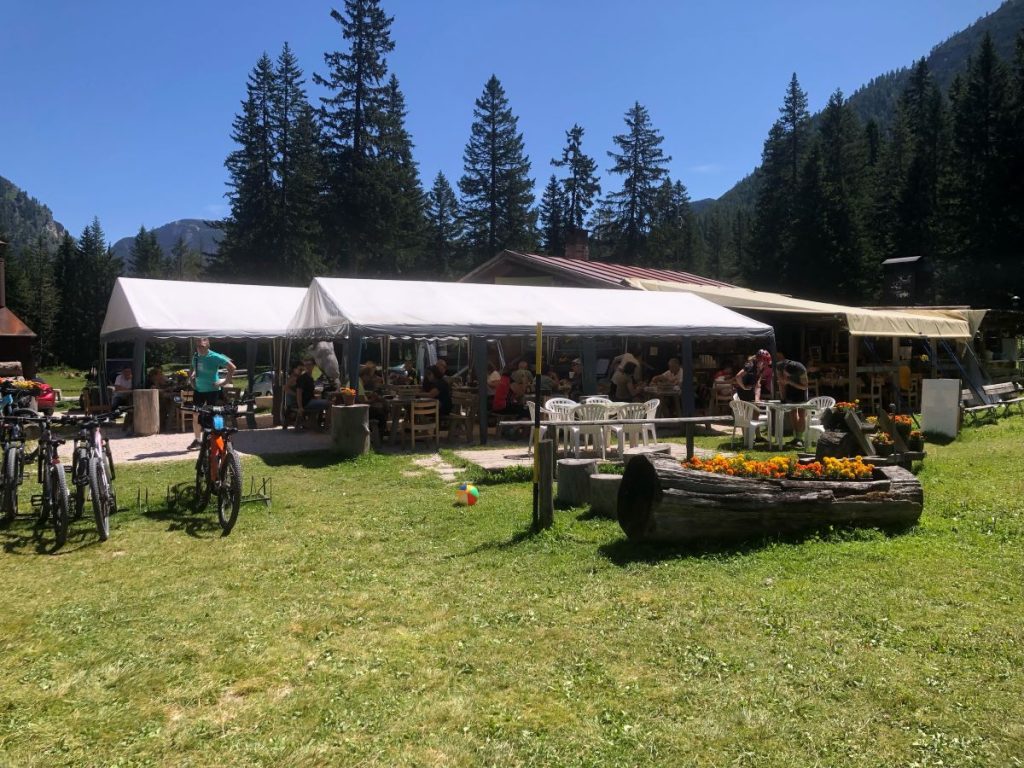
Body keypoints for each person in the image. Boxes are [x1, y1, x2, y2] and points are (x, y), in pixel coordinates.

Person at [188, 337, 236, 450]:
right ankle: (198, 440)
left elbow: (232, 367)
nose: (199, 348)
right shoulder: (196, 356)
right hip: (199, 390)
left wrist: (224, 382)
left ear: (208, 345)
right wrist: (192, 378)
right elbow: (195, 369)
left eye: (202, 346)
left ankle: (216, 439)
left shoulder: (215, 356)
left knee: (214, 415)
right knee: (196, 414)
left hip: (213, 391)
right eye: (198, 346)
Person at [775, 352, 810, 446]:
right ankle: (795, 438)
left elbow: (805, 387)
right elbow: (781, 383)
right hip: (789, 388)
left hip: (800, 388)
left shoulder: (801, 369)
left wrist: (790, 382)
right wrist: (783, 398)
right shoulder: (780, 366)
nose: (785, 375)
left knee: (801, 413)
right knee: (792, 412)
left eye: (787, 375)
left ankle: (800, 438)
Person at [295, 357, 330, 430]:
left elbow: (308, 391)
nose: (307, 366)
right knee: (330, 404)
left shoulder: (310, 377)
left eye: (309, 364)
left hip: (310, 400)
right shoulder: (303, 378)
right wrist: (300, 407)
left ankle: (314, 423)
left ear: (313, 366)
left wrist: (319, 392)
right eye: (306, 364)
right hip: (306, 403)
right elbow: (299, 392)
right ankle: (327, 427)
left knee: (322, 401)